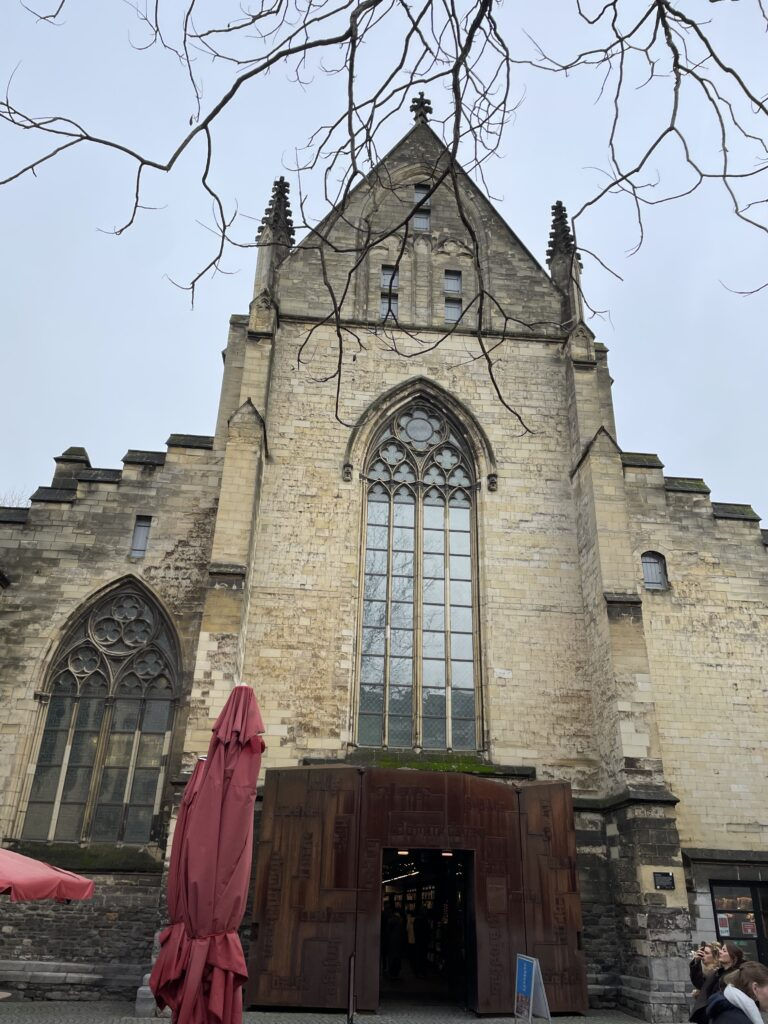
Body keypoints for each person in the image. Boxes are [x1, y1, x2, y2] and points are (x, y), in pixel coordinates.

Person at [689, 941, 722, 1024]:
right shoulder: (706, 970)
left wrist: (701, 993)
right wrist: (696, 961)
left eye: (707, 953)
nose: (703, 955)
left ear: (715, 956)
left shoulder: (716, 972)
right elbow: (698, 982)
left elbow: (701, 984)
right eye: (703, 952)